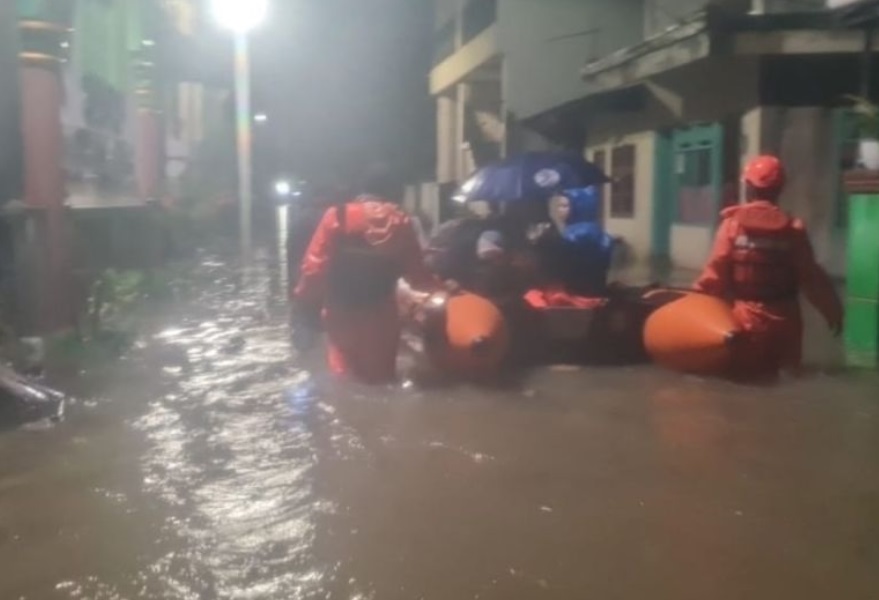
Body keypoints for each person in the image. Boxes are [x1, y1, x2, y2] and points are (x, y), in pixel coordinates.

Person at [694, 155, 843, 377]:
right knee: (788, 380)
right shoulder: (794, 229)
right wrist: (833, 311)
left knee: (747, 382)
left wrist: (691, 305)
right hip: (787, 322)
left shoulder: (731, 227)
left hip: (746, 320)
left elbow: (714, 276)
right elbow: (811, 279)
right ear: (780, 189)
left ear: (749, 187)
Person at [293, 169, 436, 384]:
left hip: (341, 312)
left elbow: (313, 269)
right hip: (382, 314)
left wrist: (303, 301)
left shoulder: (337, 216)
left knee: (343, 377)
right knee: (382, 379)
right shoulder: (401, 222)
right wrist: (442, 290)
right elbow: (419, 276)